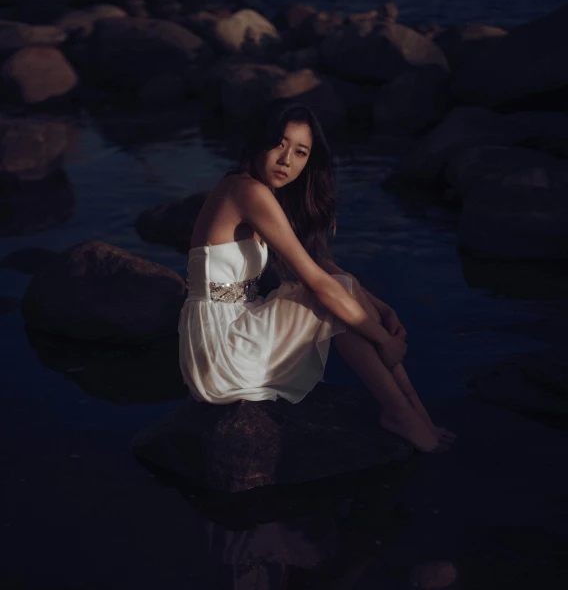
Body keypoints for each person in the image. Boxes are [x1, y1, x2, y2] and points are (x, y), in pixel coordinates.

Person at [178, 99, 456, 452]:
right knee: (331, 298)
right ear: (259, 140)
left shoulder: (253, 190)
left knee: (344, 287)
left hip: (233, 325)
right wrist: (383, 341)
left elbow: (321, 264)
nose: (286, 160)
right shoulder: (248, 190)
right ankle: (403, 412)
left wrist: (381, 307)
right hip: (221, 349)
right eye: (279, 144)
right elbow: (318, 282)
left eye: (300, 152)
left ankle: (415, 413)